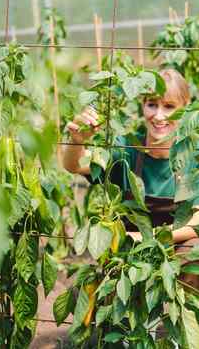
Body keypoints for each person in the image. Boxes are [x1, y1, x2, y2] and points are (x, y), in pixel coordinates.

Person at [63, 68, 199, 287]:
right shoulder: (127, 148)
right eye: (152, 104)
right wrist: (77, 140)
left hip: (174, 247)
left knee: (196, 252)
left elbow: (197, 221)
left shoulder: (194, 154)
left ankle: (185, 319)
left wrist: (151, 240)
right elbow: (74, 166)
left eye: (170, 106)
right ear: (142, 105)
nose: (159, 115)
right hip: (130, 251)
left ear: (185, 108)